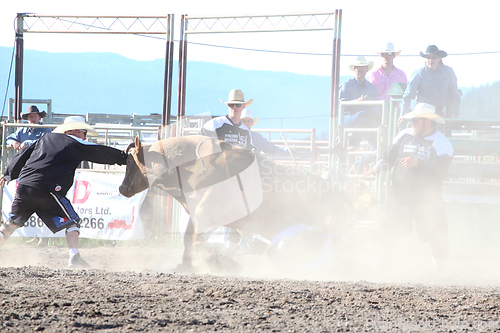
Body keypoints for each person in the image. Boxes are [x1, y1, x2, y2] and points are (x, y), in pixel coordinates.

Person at [0, 116, 128, 268]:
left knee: (12, 223)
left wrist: (8, 173)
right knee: (72, 221)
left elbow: (23, 154)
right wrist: (125, 158)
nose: (85, 137)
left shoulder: (45, 138)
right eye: (83, 132)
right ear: (75, 131)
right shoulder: (75, 142)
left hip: (24, 186)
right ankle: (74, 257)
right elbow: (99, 152)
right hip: (46, 189)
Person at [364, 103, 454, 269]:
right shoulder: (404, 135)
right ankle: (383, 269)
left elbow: (440, 171)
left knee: (437, 232)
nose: (411, 123)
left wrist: (418, 163)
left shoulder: (442, 143)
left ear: (428, 122)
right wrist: (378, 167)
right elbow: (388, 156)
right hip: (400, 193)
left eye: (415, 120)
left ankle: (440, 274)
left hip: (426, 197)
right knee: (388, 226)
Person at [401, 45, 461, 119]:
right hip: (422, 114)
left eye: (434, 58)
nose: (430, 60)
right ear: (425, 59)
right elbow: (408, 95)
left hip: (439, 113)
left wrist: (456, 115)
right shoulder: (419, 73)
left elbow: (455, 95)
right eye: (428, 58)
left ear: (439, 59)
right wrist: (403, 115)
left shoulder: (448, 72)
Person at [339, 56, 379, 148]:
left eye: (363, 67)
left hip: (366, 119)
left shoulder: (372, 88)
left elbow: (376, 106)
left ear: (367, 69)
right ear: (354, 69)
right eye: (358, 67)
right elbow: (342, 106)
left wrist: (371, 112)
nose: (360, 69)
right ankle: (354, 144)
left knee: (366, 120)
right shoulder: (346, 85)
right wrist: (357, 101)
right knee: (362, 116)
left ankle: (359, 157)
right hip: (349, 118)